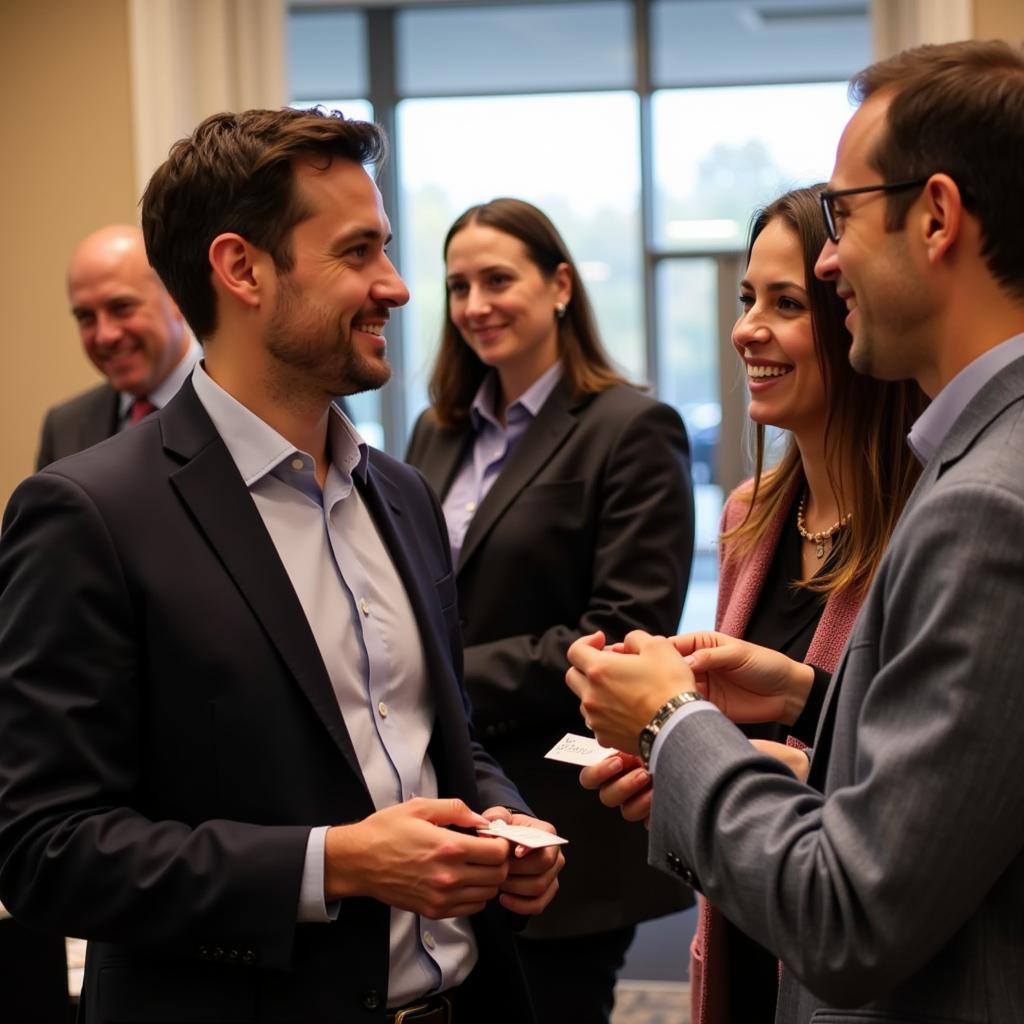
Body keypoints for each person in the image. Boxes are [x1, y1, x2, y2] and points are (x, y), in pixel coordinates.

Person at [0, 107, 563, 1023]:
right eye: (358, 253)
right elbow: (44, 849)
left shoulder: (402, 495)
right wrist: (332, 863)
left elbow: (436, 739)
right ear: (242, 269)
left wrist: (499, 822)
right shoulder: (89, 515)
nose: (397, 286)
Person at [567, 38, 1024, 1020]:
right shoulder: (970, 464)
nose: (828, 259)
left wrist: (671, 724)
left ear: (936, 216)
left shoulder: (983, 505)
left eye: (845, 218)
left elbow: (852, 913)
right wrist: (814, 701)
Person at [406, 197, 693, 1023]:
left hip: (565, 814)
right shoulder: (439, 431)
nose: (475, 305)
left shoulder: (631, 428)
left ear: (560, 284)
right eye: (458, 286)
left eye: (499, 279)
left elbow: (620, 634)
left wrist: (439, 681)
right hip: (458, 809)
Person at [684, 185, 923, 1023]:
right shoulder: (749, 515)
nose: (749, 328)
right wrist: (675, 759)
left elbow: (913, 807)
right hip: (746, 947)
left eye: (786, 304)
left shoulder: (926, 527)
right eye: (750, 299)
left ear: (850, 317)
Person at [36, 224, 200, 469]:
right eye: (85, 317)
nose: (104, 336)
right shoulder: (64, 429)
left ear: (175, 297)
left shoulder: (243, 401)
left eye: (122, 307)